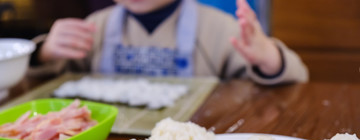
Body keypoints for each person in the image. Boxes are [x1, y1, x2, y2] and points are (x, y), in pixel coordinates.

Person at [28, 0, 308, 84]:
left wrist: (270, 58)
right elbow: (45, 76)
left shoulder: (219, 28)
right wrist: (45, 52)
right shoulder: (96, 26)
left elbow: (298, 77)